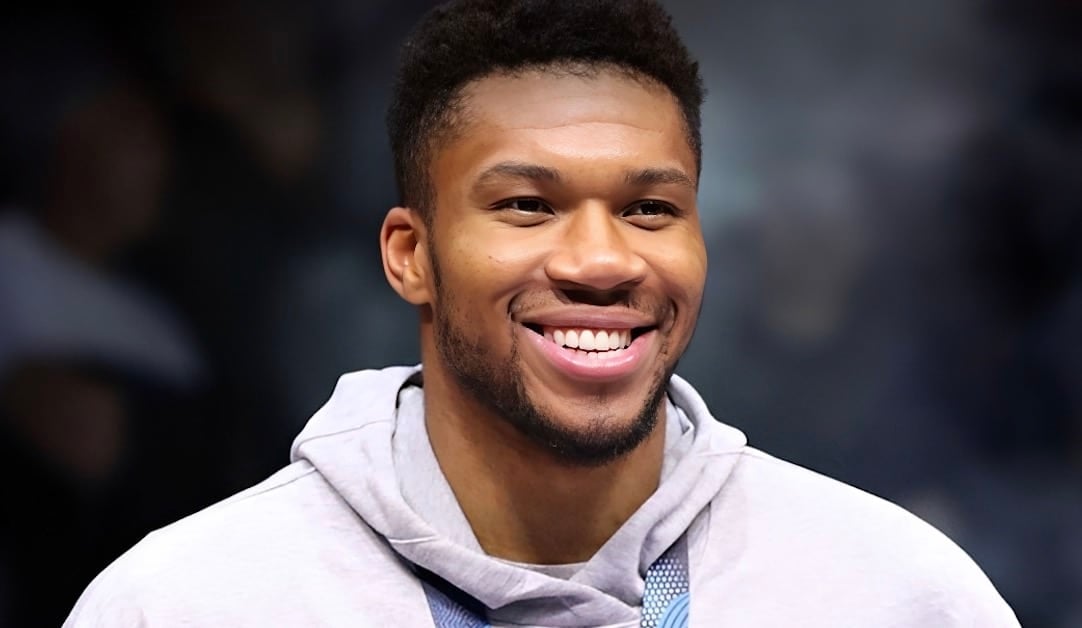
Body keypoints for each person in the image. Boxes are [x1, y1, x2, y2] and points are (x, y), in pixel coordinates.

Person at [64, 1, 1019, 626]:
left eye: (650, 209)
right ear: (410, 256)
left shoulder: (891, 593)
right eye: (527, 205)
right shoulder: (192, 602)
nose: (602, 261)